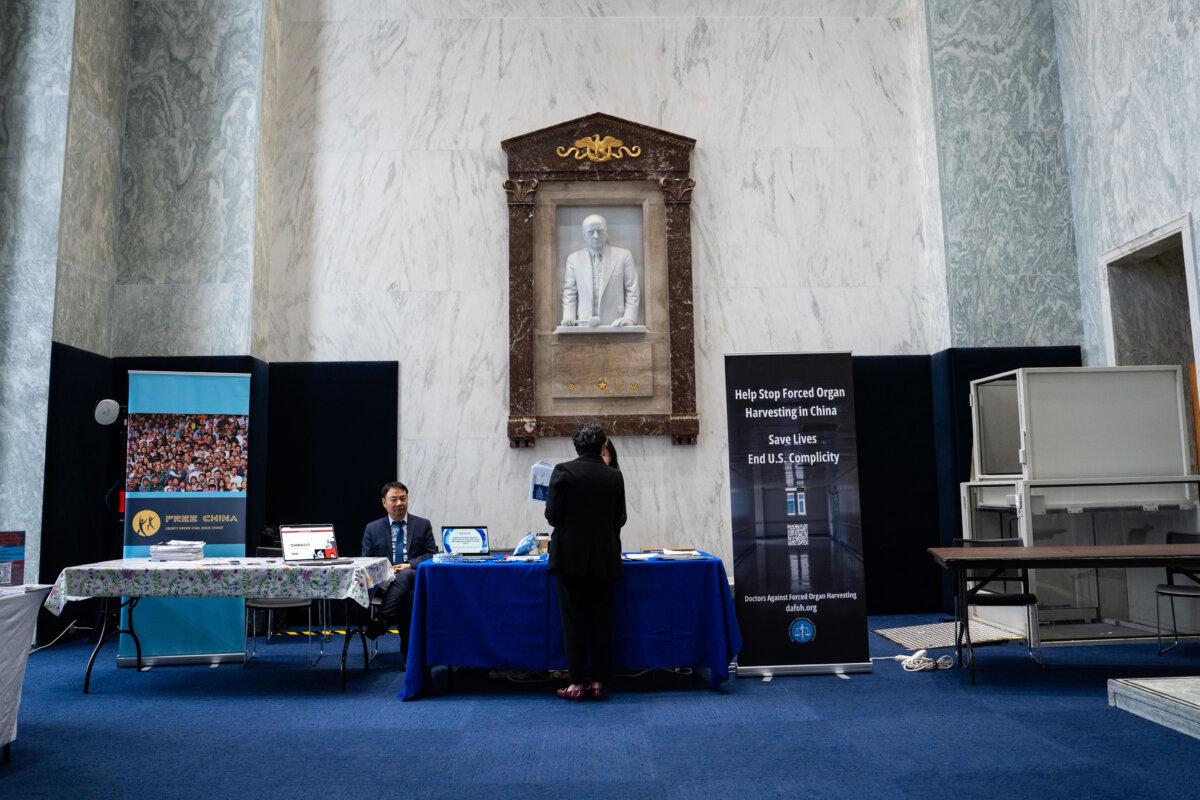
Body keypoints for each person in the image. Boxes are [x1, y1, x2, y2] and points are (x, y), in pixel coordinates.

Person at [545, 422, 627, 700]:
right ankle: (599, 683)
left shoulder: (563, 471)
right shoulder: (614, 476)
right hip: (605, 559)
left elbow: (553, 516)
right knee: (602, 622)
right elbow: (620, 519)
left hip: (569, 560)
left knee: (574, 622)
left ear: (575, 445)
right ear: (602, 443)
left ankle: (576, 683)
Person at [361, 481, 437, 642]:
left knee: (406, 573)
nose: (399, 503)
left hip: (416, 578)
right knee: (408, 597)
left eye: (403, 498)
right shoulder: (372, 528)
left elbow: (432, 554)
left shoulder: (422, 525)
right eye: (393, 499)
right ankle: (408, 655)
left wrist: (409, 564)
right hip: (384, 582)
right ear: (384, 502)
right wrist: (388, 570)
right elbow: (366, 561)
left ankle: (382, 619)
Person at [560, 214, 640, 328]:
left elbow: (632, 290)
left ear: (606, 232)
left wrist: (629, 318)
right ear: (584, 235)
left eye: (600, 231)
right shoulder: (573, 259)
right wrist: (569, 317)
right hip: (583, 324)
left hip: (616, 324)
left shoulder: (623, 256)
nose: (596, 236)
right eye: (590, 232)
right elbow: (569, 292)